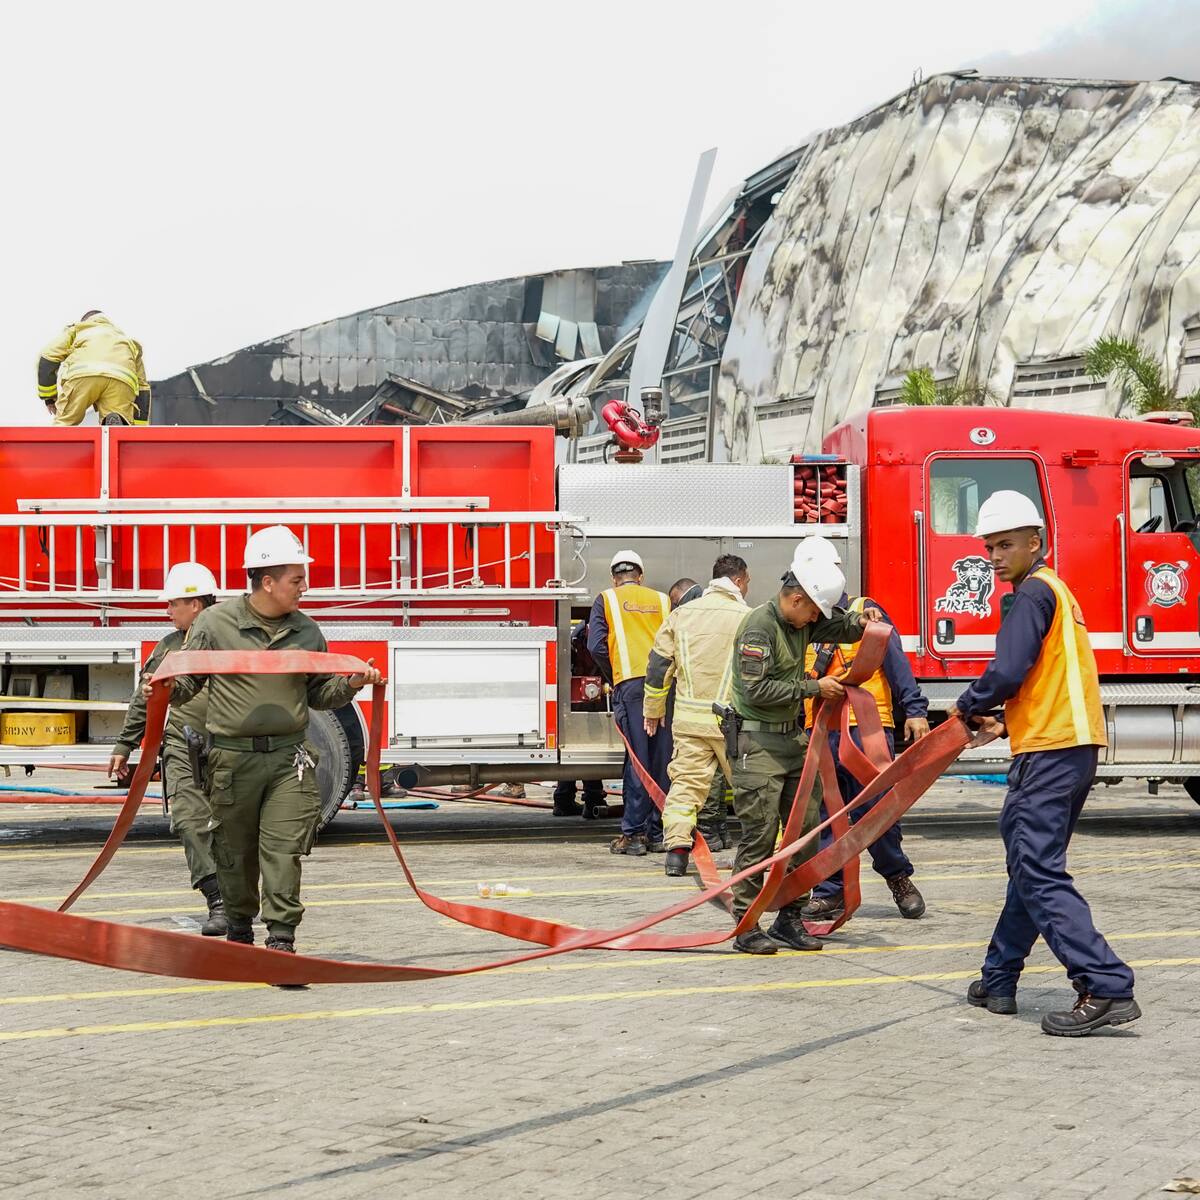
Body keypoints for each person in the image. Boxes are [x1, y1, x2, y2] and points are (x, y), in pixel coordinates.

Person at [956, 490, 1139, 1036]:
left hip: (1051, 753)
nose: (995, 556)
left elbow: (1009, 669)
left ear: (1035, 542)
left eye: (1006, 544)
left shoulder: (1032, 593)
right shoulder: (1056, 590)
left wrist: (968, 705)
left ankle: (1105, 984)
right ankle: (999, 978)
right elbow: (1046, 681)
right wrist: (1005, 721)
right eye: (989, 547)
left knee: (1036, 869)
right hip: (1066, 746)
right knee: (1028, 867)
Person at [161, 526, 381, 956]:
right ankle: (240, 931)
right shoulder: (214, 624)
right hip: (231, 763)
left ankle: (281, 941)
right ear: (267, 581)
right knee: (235, 853)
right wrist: (163, 686)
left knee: (283, 851)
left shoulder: (308, 631)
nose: (304, 587)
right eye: (297, 579)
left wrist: (351, 684)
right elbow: (187, 684)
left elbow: (318, 694)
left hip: (288, 762)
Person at [728, 546, 882, 955]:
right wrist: (814, 687)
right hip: (757, 744)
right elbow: (756, 690)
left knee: (805, 833)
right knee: (760, 837)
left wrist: (860, 621)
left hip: (790, 740)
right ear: (797, 599)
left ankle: (789, 918)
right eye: (813, 611)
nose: (815, 620)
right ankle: (747, 924)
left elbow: (837, 627)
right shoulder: (759, 628)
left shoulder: (801, 622)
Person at [797, 537, 930, 922]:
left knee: (877, 809)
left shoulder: (864, 611)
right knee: (826, 815)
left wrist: (914, 710)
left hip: (866, 728)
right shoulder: (803, 622)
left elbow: (895, 661)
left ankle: (898, 877)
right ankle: (830, 891)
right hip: (820, 730)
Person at [110, 563, 225, 936]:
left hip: (230, 746)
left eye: (173, 603)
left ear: (196, 604)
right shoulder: (170, 647)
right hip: (182, 743)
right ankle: (217, 900)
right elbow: (144, 697)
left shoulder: (230, 641)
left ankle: (241, 897)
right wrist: (125, 744)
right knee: (190, 821)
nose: (167, 611)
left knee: (234, 826)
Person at [644, 556, 750, 877]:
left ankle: (676, 853)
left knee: (685, 788)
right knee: (751, 788)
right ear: (739, 581)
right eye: (747, 582)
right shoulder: (747, 617)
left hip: (689, 721)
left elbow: (658, 665)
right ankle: (767, 855)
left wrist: (653, 709)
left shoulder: (681, 615)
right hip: (732, 723)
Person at [587, 550, 670, 856]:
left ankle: (634, 834)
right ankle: (659, 833)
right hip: (664, 685)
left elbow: (595, 646)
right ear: (640, 576)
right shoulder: (662, 600)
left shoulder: (606, 599)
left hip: (631, 685)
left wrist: (615, 675)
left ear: (614, 578)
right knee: (662, 759)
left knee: (638, 760)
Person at [38, 311, 151, 426]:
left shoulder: (78, 329)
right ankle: (115, 420)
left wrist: (49, 397)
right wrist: (140, 427)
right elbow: (143, 388)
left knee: (66, 421)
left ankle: (62, 431)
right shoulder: (127, 341)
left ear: (85, 320)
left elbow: (48, 358)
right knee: (118, 424)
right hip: (121, 380)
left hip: (84, 375)